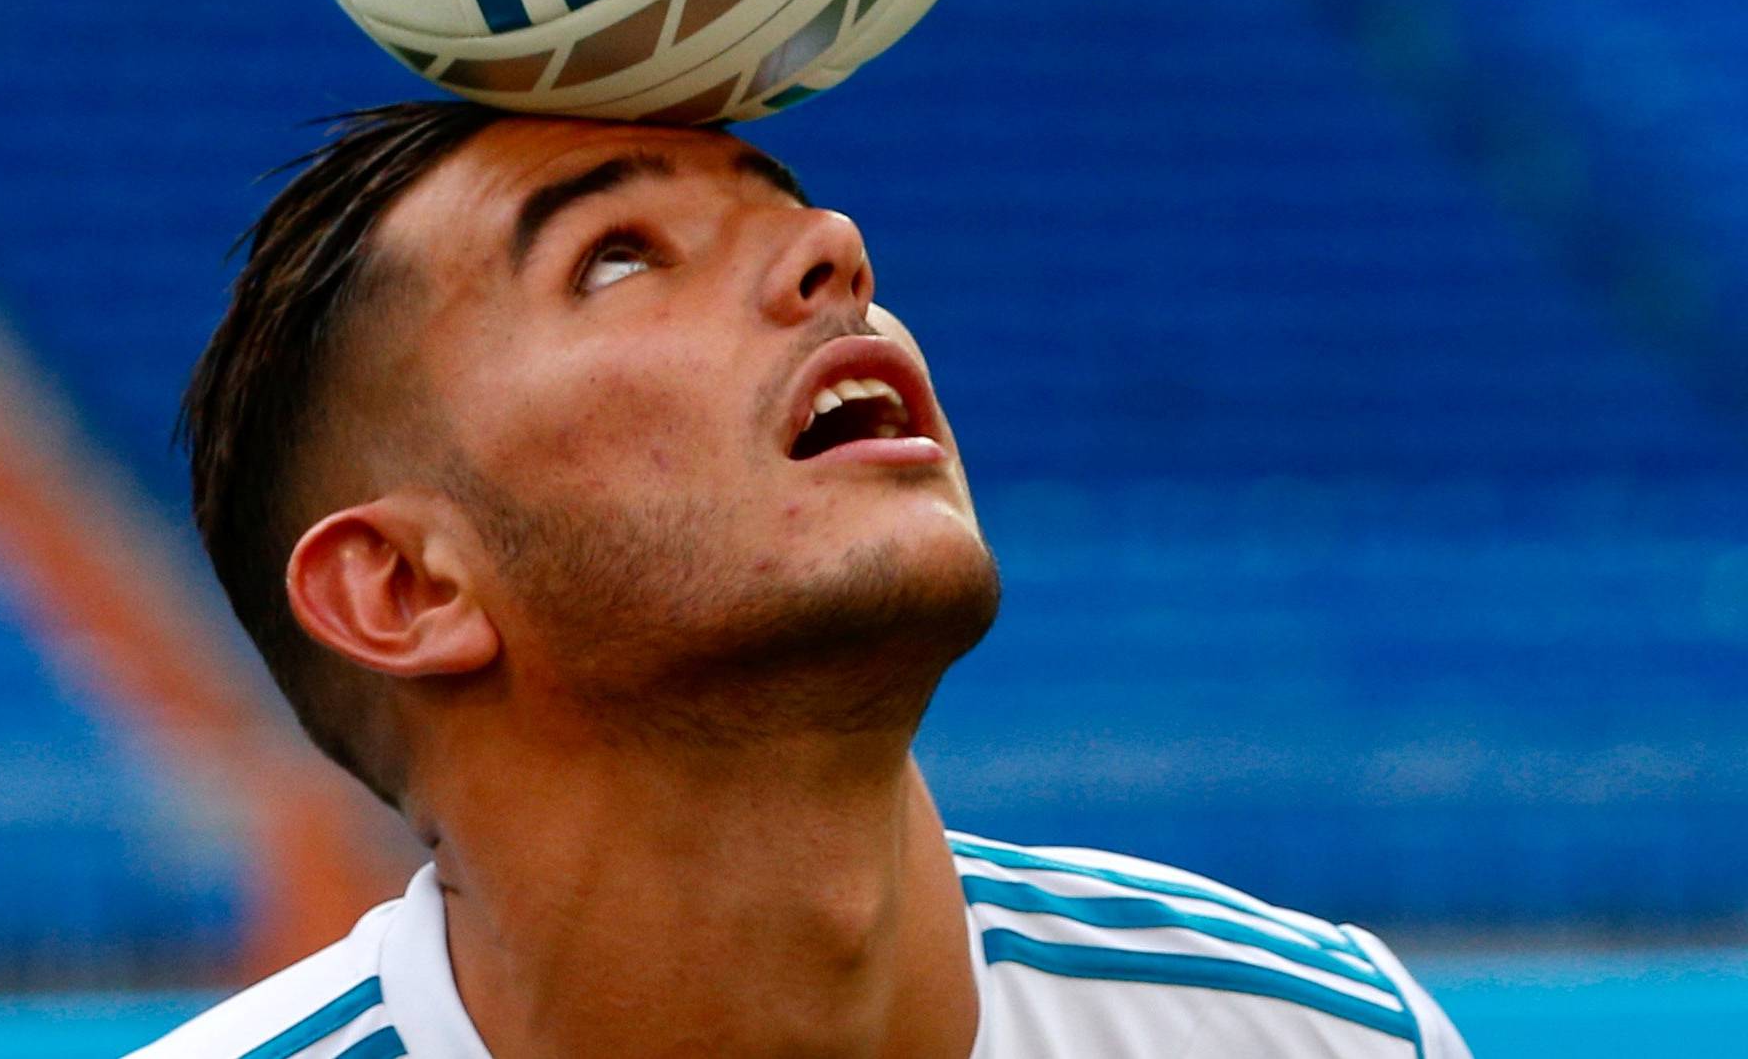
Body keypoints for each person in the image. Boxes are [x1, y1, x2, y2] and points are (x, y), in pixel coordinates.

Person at [136, 101, 1469, 1058]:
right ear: (405, 588)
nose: (835, 245)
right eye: (617, 253)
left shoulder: (1320, 1035)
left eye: (788, 205)